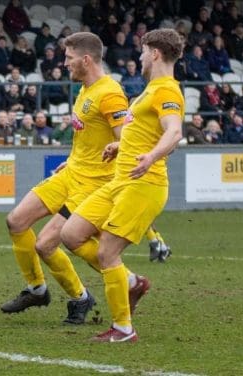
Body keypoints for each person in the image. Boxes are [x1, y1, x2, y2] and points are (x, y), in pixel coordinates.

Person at [60, 28, 185, 342]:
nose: (139, 57)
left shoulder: (166, 90)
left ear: (155, 53)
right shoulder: (149, 90)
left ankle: (123, 328)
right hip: (120, 180)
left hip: (144, 184)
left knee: (107, 253)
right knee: (71, 234)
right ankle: (129, 283)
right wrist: (121, 148)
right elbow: (145, 131)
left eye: (143, 51)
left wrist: (151, 156)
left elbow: (174, 132)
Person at [0, 32, 130, 324]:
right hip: (71, 173)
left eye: (69, 58)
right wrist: (70, 162)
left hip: (93, 184)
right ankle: (37, 289)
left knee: (45, 245)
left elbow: (127, 138)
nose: (65, 63)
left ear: (86, 59)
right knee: (16, 221)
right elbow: (87, 138)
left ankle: (112, 286)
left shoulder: (109, 93)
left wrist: (120, 145)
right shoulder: (85, 89)